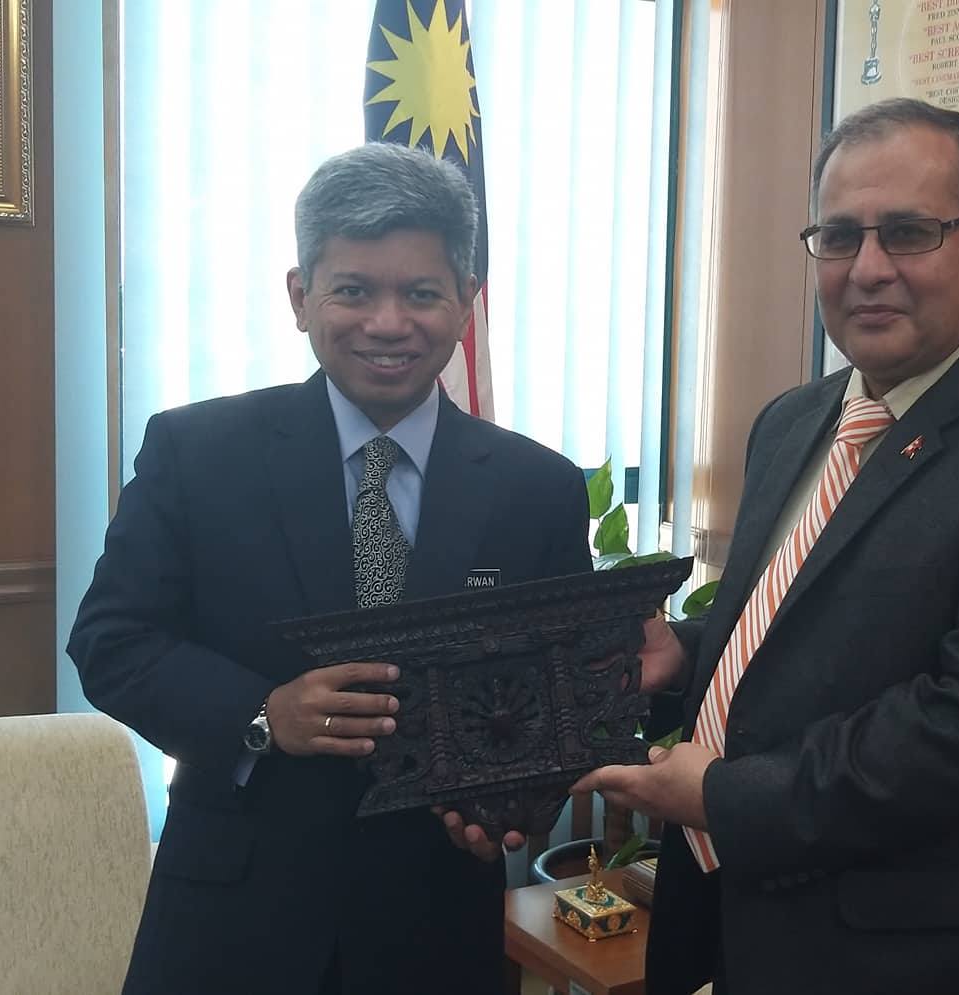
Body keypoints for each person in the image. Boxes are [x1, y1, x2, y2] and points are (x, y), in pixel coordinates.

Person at [572, 98, 959, 995]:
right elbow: (814, 634)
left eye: (909, 233)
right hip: (732, 925)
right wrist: (684, 656)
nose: (869, 269)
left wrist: (723, 797)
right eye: (839, 237)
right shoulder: (791, 421)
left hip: (920, 961)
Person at [69, 142, 592, 995]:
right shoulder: (198, 453)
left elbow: (560, 691)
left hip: (436, 929)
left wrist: (517, 801)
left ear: (466, 302)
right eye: (353, 290)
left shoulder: (539, 489)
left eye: (421, 293)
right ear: (299, 296)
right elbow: (110, 640)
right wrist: (261, 713)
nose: (387, 323)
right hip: (233, 924)